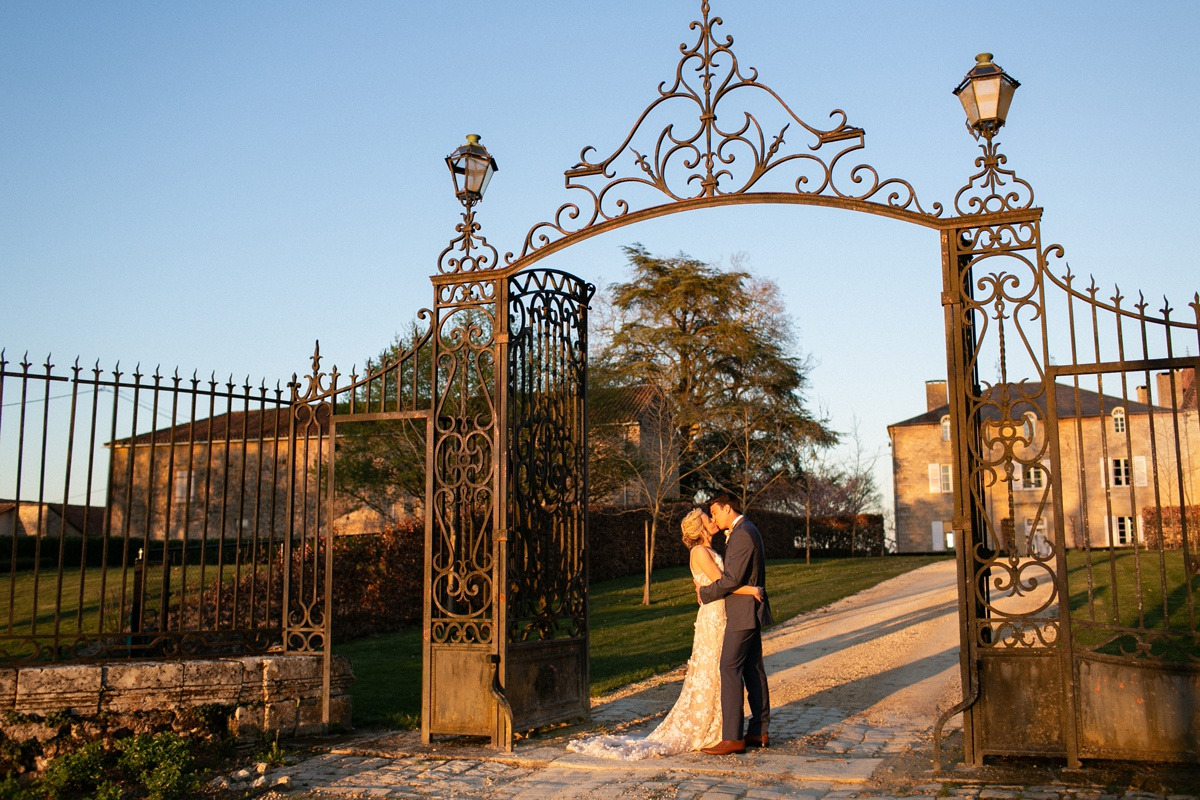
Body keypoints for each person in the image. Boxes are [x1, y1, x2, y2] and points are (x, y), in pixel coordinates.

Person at [566, 508, 763, 759]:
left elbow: (722, 583)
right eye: (707, 518)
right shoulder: (699, 552)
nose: (713, 520)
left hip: (721, 614)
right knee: (712, 669)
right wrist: (752, 590)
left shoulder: (710, 550)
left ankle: (722, 727)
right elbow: (724, 584)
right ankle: (711, 728)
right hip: (713, 618)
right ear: (699, 528)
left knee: (720, 671)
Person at [696, 492, 773, 755]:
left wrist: (704, 594)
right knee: (753, 669)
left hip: (742, 613)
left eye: (715, 512)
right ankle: (758, 731)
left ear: (727, 508)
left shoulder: (742, 534)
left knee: (729, 668)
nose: (714, 518)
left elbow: (731, 579)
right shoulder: (746, 529)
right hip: (749, 610)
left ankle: (732, 737)